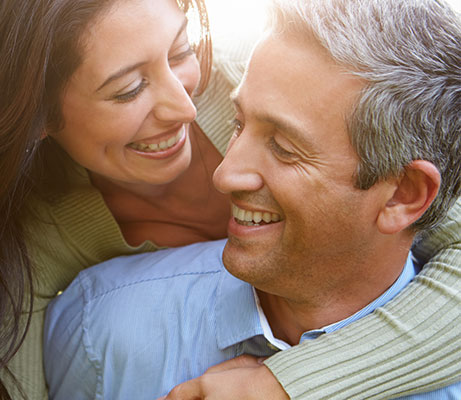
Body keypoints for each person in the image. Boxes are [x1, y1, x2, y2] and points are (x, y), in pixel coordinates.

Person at [0, 0, 461, 398]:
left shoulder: (285, 91)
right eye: (128, 88)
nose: (184, 105)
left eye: (179, 52)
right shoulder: (39, 235)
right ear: (37, 114)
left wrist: (286, 387)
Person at [44, 0, 461, 398]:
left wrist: (289, 383)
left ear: (404, 195)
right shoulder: (96, 325)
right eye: (236, 122)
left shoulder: (238, 64)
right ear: (39, 118)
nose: (223, 174)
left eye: (282, 146)